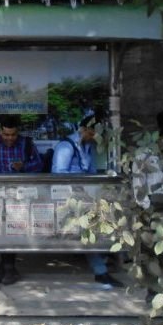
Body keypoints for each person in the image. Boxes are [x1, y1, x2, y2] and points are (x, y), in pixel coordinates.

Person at [52, 114, 124, 289]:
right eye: (92, 133)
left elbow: (90, 171)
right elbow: (59, 174)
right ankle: (100, 271)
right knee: (88, 230)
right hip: (68, 199)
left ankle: (103, 264)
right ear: (83, 130)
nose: (95, 138)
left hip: (84, 198)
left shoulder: (87, 146)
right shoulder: (66, 147)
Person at [0, 115, 42, 285]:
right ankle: (7, 266)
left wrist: (24, 167)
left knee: (14, 229)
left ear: (17, 133)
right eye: (6, 135)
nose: (10, 138)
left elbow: (39, 165)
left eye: (13, 135)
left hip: (19, 196)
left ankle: (7, 266)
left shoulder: (26, 143)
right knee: (1, 230)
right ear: (0, 131)